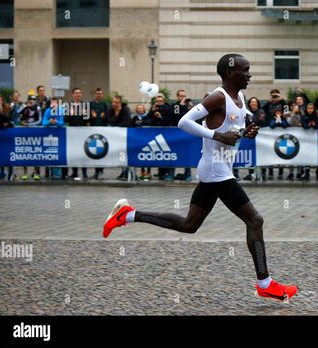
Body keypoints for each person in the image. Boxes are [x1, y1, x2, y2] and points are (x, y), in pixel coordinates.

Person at [103, 54, 298, 302]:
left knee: (189, 225)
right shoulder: (218, 96)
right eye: (245, 70)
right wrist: (217, 136)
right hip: (217, 172)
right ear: (230, 73)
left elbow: (237, 127)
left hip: (216, 170)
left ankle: (128, 214)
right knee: (255, 221)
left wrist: (246, 132)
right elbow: (184, 122)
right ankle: (265, 283)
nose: (250, 74)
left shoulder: (240, 98)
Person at [66, 87, 90, 180]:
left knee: (84, 152)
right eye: (76, 93)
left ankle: (84, 172)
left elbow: (89, 119)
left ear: (81, 94)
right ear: (73, 95)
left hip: (83, 132)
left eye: (79, 93)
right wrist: (70, 114)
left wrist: (85, 115)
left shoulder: (85, 105)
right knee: (74, 153)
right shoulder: (69, 105)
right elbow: (65, 119)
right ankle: (74, 172)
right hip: (72, 132)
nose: (78, 94)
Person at [107, 95, 132, 180]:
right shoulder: (110, 109)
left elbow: (127, 122)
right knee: (120, 155)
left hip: (125, 135)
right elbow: (110, 122)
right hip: (116, 136)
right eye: (113, 102)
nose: (115, 104)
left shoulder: (126, 109)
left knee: (126, 154)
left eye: (117, 103)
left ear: (120, 103)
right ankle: (123, 171)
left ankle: (128, 172)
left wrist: (116, 126)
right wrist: (116, 114)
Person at [172, 89, 194, 181]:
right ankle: (171, 172)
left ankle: (187, 173)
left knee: (186, 153)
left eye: (184, 96)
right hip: (176, 133)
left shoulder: (188, 105)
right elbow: (176, 118)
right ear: (177, 97)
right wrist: (181, 106)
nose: (182, 98)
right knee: (173, 153)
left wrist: (189, 107)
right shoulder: (175, 105)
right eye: (181, 96)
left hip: (186, 133)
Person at [19, 95, 42, 180]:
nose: (32, 102)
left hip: (34, 130)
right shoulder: (24, 107)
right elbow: (18, 113)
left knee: (35, 151)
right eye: (30, 100)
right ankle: (25, 173)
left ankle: (36, 172)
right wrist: (26, 106)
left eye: (33, 100)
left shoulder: (38, 108)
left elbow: (40, 120)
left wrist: (29, 124)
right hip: (24, 131)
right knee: (25, 151)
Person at [89, 87, 109, 180]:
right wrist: (91, 116)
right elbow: (86, 117)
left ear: (102, 94)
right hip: (93, 131)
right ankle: (96, 171)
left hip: (103, 131)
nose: (99, 95)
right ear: (95, 94)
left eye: (100, 93)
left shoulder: (105, 104)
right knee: (94, 151)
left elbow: (109, 116)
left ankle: (101, 171)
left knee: (102, 151)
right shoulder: (91, 104)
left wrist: (104, 116)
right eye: (97, 93)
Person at [0, 94, 14, 180]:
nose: (0, 101)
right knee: (0, 153)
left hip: (7, 134)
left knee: (8, 153)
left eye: (1, 100)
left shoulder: (7, 108)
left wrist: (4, 121)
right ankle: (2, 172)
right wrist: (2, 121)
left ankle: (10, 172)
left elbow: (9, 119)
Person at [132, 104, 153, 181]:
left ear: (144, 109)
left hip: (147, 137)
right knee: (141, 154)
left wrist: (142, 122)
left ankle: (148, 171)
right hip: (138, 139)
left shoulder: (147, 116)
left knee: (148, 154)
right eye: (138, 108)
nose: (140, 110)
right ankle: (142, 171)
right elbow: (131, 125)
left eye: (141, 108)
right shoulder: (135, 117)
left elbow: (149, 123)